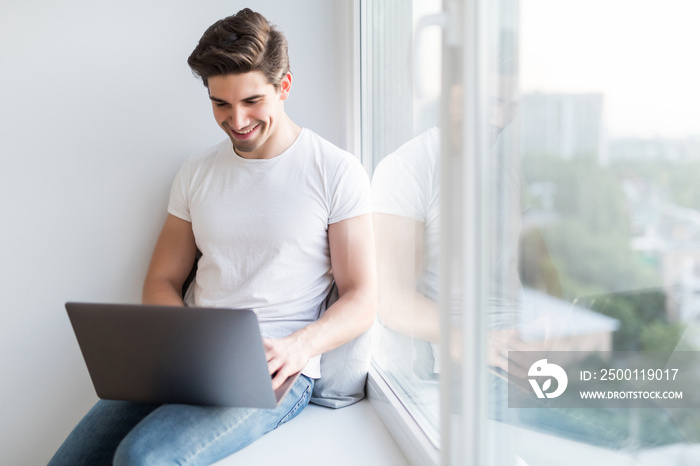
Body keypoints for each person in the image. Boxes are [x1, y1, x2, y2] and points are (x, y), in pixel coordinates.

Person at [49, 8, 376, 465]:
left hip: (276, 371)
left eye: (252, 101)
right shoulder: (196, 172)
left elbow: (362, 297)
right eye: (221, 104)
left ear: (283, 86)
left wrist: (301, 346)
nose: (237, 120)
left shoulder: (336, 171)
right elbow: (161, 281)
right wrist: (186, 343)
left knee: (142, 457)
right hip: (188, 359)